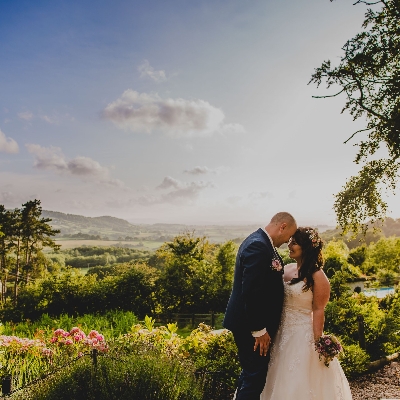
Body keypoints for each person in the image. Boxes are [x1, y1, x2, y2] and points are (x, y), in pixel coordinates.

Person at [260, 227, 353, 399]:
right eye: (290, 241)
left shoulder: (318, 277)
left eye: (294, 243)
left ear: (306, 248)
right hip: (278, 332)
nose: (289, 245)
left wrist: (319, 343)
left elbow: (318, 310)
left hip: (302, 337)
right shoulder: (285, 269)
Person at [223, 212, 297, 400]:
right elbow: (251, 292)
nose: (288, 241)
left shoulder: (263, 243)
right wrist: (258, 330)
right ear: (283, 227)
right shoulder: (258, 245)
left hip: (252, 325)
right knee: (255, 379)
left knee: (250, 374)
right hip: (251, 327)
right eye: (289, 236)